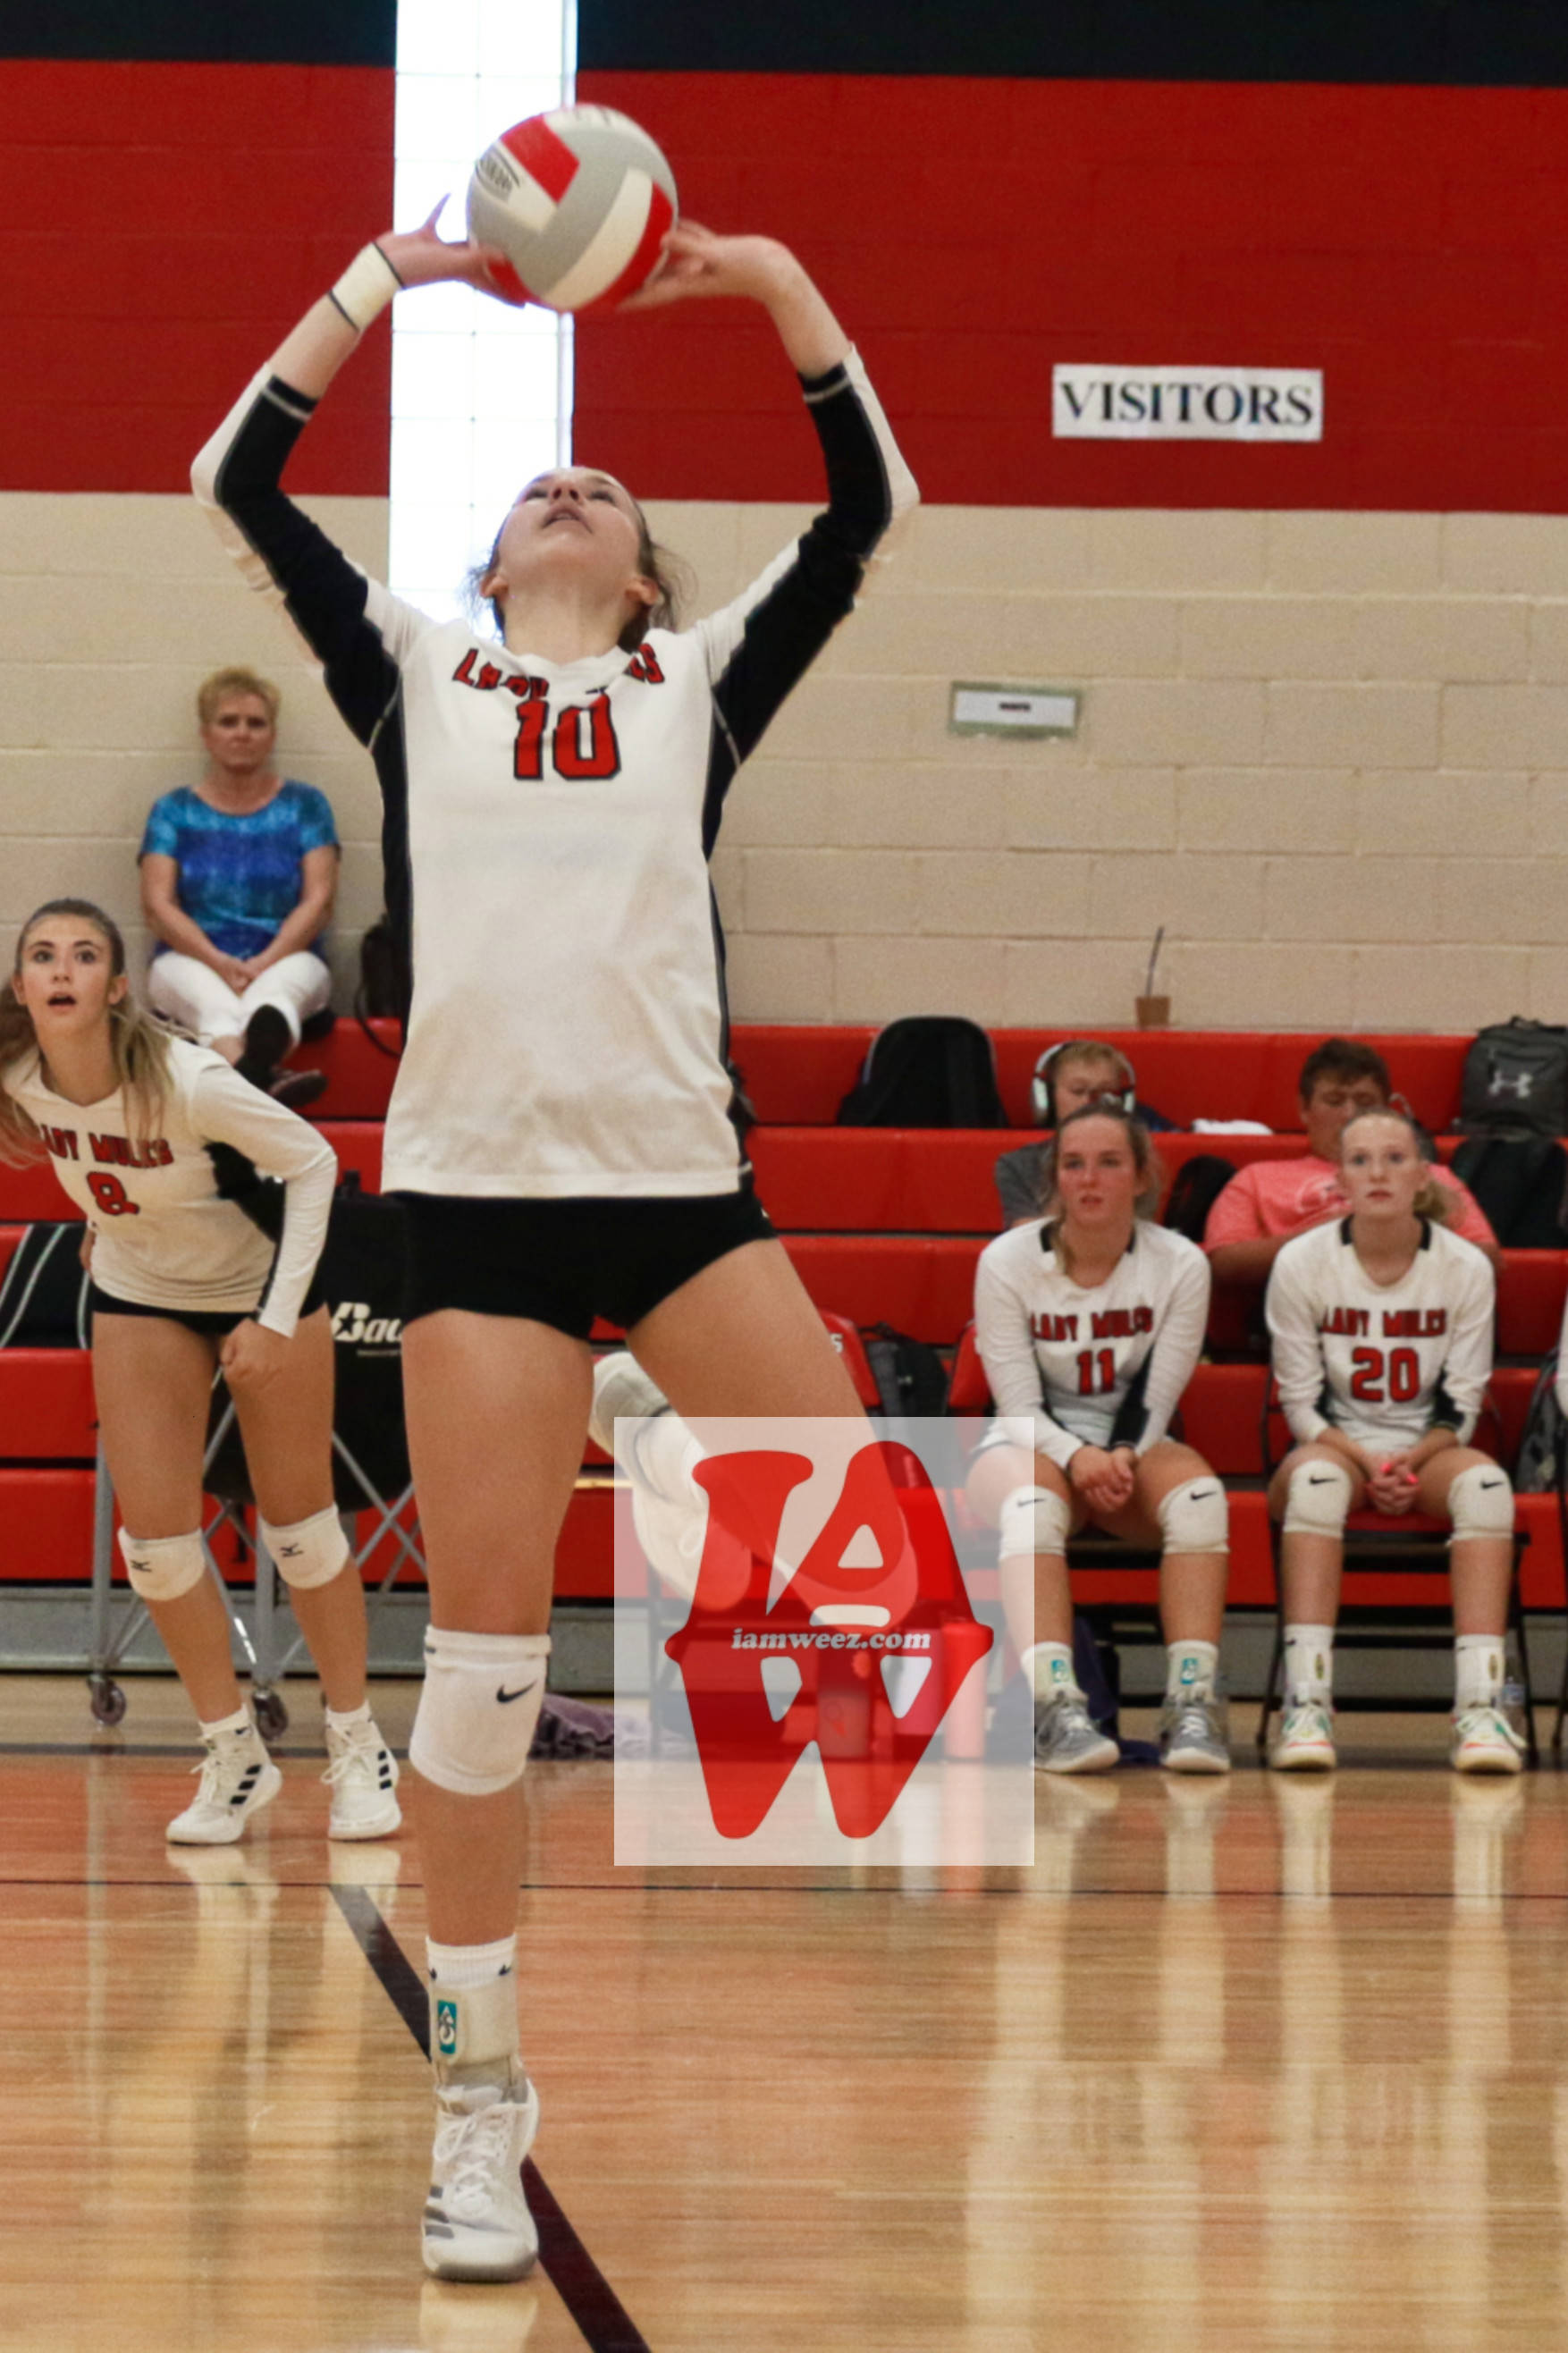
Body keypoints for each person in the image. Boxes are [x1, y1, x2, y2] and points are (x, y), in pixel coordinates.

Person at [193, 208, 916, 2282]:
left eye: (602, 486)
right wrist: (384, 275)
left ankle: (640, 1414)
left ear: (648, 578)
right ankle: (480, 2109)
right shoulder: (417, 668)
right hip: (481, 1204)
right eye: (537, 488)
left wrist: (771, 283)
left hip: (679, 1187)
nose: (571, 489)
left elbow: (870, 504)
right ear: (495, 564)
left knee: (879, 1599)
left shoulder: (697, 681)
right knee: (485, 1678)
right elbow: (234, 477)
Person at [0, 898, 400, 1842]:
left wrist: (272, 1320)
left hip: (259, 1282)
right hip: (142, 1288)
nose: (62, 970)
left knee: (301, 1532)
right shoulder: (20, 1076)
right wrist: (104, 1223)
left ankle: (358, 1744)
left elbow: (314, 1164)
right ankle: (233, 1753)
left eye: (84, 955)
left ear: (116, 987)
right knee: (155, 1546)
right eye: (43, 956)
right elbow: (111, 1168)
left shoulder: (189, 1081)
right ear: (21, 986)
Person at [965, 1104, 1231, 1775]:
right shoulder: (1006, 1261)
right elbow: (1017, 1404)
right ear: (1054, 1177)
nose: (1089, 1179)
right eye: (1073, 1164)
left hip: (1132, 1445)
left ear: (1140, 1176)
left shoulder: (1180, 1262)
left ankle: (1192, 1706)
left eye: (1109, 1163)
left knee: (1201, 1500)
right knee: (1033, 1508)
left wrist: (1118, 1457)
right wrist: (1077, 1457)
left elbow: (1157, 1397)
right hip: (1026, 1441)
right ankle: (1057, 1710)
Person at [1264, 1106, 1518, 1775]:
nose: (1378, 1172)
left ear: (1423, 1175)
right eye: (1360, 1160)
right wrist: (1365, 1460)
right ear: (1338, 1180)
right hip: (1335, 1447)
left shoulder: (1464, 1266)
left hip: (1426, 1449)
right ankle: (1307, 1702)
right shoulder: (1301, 1262)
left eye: (1395, 1159)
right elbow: (1300, 1403)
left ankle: (1481, 1706)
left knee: (1487, 1487)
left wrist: (1410, 1459)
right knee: (1316, 1483)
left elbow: (1461, 1405)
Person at [140, 666, 339, 1108]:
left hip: (289, 956)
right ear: (206, 734)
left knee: (273, 998)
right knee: (213, 1004)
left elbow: (319, 901)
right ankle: (266, 1081)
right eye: (228, 722)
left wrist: (265, 961)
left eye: (256, 723)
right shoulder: (173, 810)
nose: (242, 733)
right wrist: (219, 962)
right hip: (189, 958)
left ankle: (247, 1085)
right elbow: (157, 906)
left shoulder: (306, 806)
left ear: (272, 735)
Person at [1205, 1036, 1501, 1282]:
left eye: (1365, 1102)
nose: (1349, 1114)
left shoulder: (1429, 1175)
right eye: (1334, 1101)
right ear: (1304, 1109)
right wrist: (1335, 1233)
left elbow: (1487, 1259)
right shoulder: (1257, 1178)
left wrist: (1397, 1233)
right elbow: (1223, 1264)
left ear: (1386, 1109)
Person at [994, 1039, 1145, 1228]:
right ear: (1048, 1098)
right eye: (1078, 1091)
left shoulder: (1136, 1159)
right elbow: (1027, 1236)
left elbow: (1132, 1227)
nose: (1090, 1102)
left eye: (1104, 1092)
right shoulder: (1017, 1164)